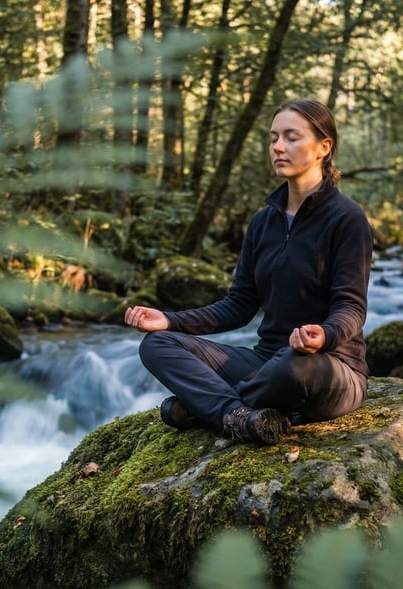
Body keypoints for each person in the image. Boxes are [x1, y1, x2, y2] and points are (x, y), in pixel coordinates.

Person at [124, 98, 372, 445]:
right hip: (264, 361)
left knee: (292, 365)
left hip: (329, 367)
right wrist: (168, 320)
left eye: (291, 137)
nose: (278, 147)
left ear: (323, 147)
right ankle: (237, 416)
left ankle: (205, 407)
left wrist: (325, 334)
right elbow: (239, 305)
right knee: (157, 345)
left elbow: (352, 308)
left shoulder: (347, 219)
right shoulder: (262, 222)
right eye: (273, 138)